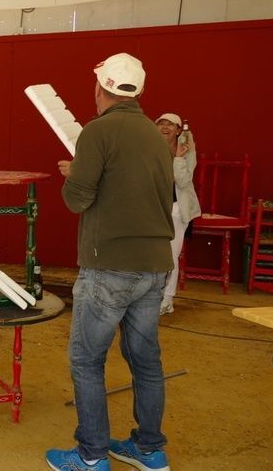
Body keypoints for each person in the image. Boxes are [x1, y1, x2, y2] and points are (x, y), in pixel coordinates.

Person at [46, 53, 175, 471]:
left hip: (110, 265)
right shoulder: (156, 135)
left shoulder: (98, 131)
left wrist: (75, 174)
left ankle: (91, 455)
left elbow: (77, 199)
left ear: (101, 87)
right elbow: (140, 190)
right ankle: (149, 449)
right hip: (154, 264)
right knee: (146, 361)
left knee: (87, 360)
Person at [155, 112, 201, 315]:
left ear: (178, 130)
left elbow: (182, 180)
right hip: (155, 208)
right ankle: (152, 298)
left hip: (176, 209)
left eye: (170, 124)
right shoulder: (152, 148)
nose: (165, 127)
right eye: (161, 123)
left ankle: (167, 300)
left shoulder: (186, 150)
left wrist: (178, 158)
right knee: (153, 255)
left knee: (170, 256)